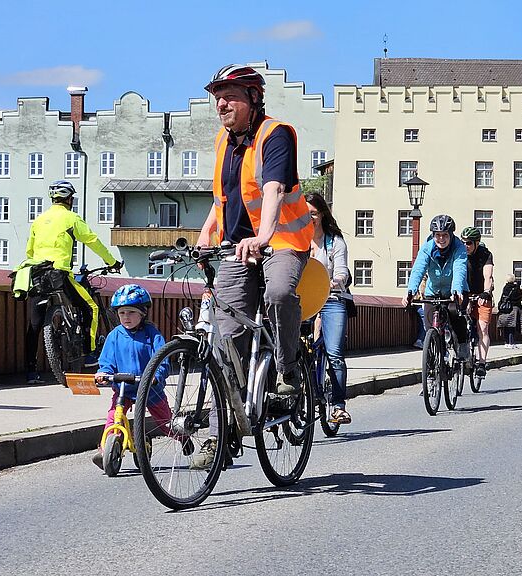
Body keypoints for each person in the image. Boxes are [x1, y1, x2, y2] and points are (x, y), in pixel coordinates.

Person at [193, 65, 314, 469]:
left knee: (279, 293)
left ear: (254, 98)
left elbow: (274, 189)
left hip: (281, 242)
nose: (221, 104)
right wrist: (206, 233)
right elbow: (223, 199)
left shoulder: (275, 134)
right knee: (224, 337)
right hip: (237, 248)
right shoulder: (222, 143)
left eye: (230, 96)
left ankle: (287, 372)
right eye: (217, 97)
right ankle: (220, 435)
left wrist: (263, 237)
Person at [20, 180, 120, 383]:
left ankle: (30, 372)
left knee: (35, 324)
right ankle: (90, 353)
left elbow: (29, 251)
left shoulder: (38, 220)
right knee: (91, 307)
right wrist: (112, 261)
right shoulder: (71, 218)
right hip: (59, 274)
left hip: (37, 274)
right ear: (69, 199)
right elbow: (91, 240)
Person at [92, 284, 172, 471]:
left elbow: (162, 359)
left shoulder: (152, 335)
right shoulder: (114, 336)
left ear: (143, 313)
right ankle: (105, 451)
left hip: (150, 390)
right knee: (114, 417)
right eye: (122, 313)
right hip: (123, 389)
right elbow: (107, 361)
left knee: (166, 422)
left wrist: (156, 376)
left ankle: (183, 438)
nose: (126, 317)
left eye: (131, 312)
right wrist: (104, 373)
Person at [306, 192, 352, 425]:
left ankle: (338, 405)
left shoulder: (335, 242)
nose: (309, 218)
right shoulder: (297, 240)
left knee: (334, 354)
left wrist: (333, 281)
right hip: (304, 301)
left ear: (322, 214)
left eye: (312, 213)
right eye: (305, 214)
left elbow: (342, 271)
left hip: (332, 298)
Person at [402, 214, 470, 359]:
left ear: (451, 234)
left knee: (455, 314)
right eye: (437, 235)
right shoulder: (427, 248)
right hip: (433, 291)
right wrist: (410, 291)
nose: (441, 239)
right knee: (429, 326)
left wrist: (456, 290)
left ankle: (462, 346)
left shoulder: (459, 248)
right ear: (433, 235)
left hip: (454, 291)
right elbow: (418, 269)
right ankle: (433, 360)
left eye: (445, 235)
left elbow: (460, 269)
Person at [460, 226, 494, 377]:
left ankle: (481, 363)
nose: (465, 246)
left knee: (483, 328)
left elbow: (488, 276)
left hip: (481, 293)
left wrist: (486, 292)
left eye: (469, 243)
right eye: (463, 242)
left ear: (477, 243)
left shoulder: (484, 254)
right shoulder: (459, 253)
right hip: (464, 292)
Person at [497, 275, 522, 348]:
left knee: (506, 326)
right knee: (512, 326)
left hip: (505, 309)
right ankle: (511, 343)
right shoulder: (516, 288)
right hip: (513, 309)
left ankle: (506, 343)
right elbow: (521, 298)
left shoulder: (505, 288)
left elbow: (502, 298)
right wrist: (520, 290)